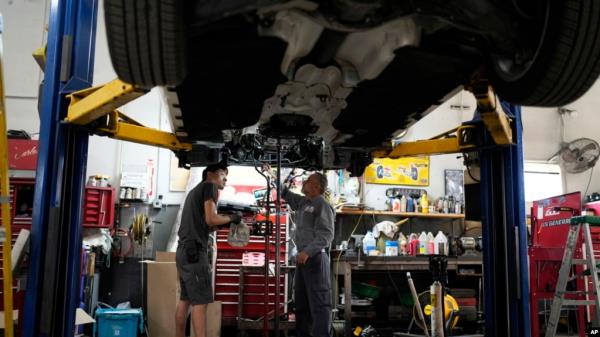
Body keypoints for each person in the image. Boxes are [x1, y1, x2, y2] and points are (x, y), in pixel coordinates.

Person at [263, 164, 335, 337]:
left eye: (308, 180)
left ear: (317, 187)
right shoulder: (304, 202)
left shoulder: (322, 205)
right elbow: (285, 194)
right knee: (301, 304)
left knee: (319, 304)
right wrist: (272, 174)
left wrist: (307, 252)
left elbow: (326, 235)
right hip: (303, 260)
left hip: (315, 259)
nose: (304, 181)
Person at [175, 162, 242, 337]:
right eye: (223, 174)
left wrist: (226, 223)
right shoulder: (210, 186)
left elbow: (206, 224)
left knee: (186, 299)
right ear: (211, 174)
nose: (225, 179)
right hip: (195, 254)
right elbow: (211, 219)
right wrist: (232, 217)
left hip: (183, 252)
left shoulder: (194, 192)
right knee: (201, 302)